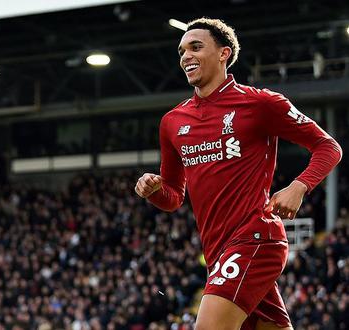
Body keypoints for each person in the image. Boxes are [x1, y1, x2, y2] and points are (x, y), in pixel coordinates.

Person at [134, 18, 342, 330]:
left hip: (256, 238)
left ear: (223, 53)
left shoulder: (260, 103)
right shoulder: (172, 122)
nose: (185, 56)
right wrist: (153, 191)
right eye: (181, 51)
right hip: (217, 253)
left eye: (195, 47)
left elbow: (328, 147)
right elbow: (174, 198)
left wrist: (298, 186)